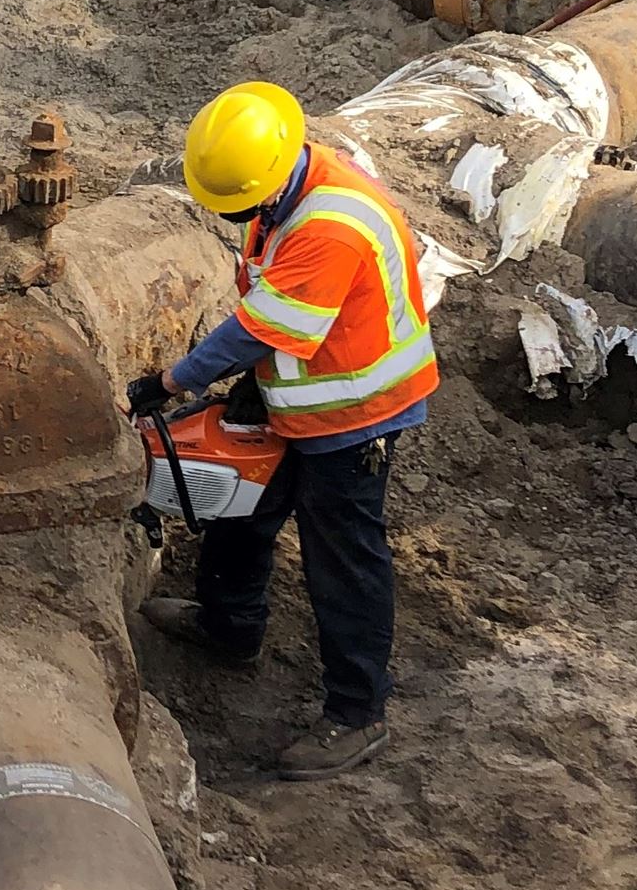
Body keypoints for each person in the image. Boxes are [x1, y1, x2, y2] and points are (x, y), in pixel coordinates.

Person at [129, 81, 438, 780]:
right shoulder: (286, 184)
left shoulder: (328, 223)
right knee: (246, 504)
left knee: (343, 557)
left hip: (357, 410)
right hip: (306, 383)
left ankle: (357, 714)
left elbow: (260, 326)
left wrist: (173, 383)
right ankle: (229, 625)